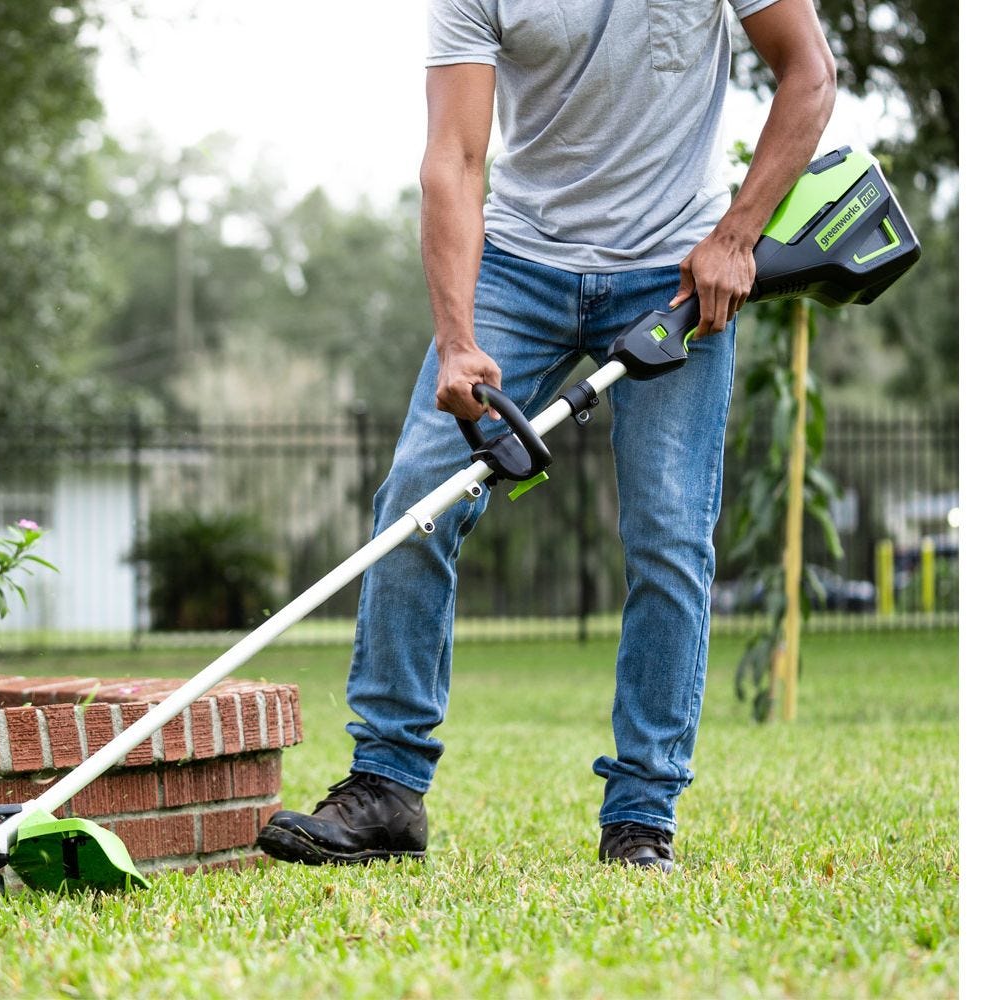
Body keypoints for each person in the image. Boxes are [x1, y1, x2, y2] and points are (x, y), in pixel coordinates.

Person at [257, 0, 835, 872]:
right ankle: (386, 787)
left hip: (675, 269)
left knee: (670, 536)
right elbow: (453, 160)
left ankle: (642, 813)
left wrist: (736, 235)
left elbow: (809, 72)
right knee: (417, 492)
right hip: (519, 266)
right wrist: (457, 341)